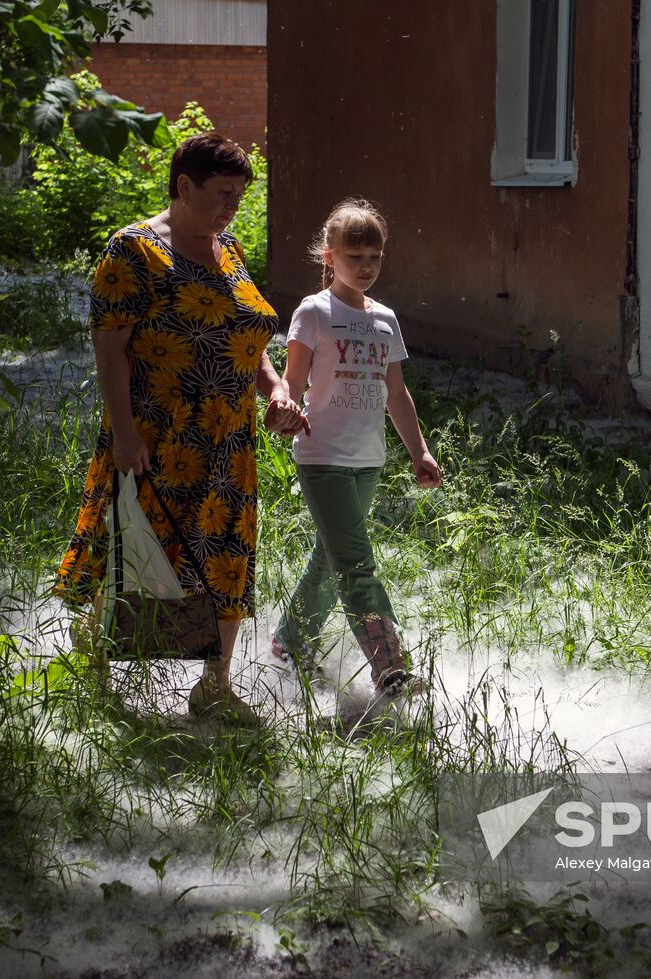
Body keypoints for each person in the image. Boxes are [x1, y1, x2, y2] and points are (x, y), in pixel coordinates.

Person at [56, 133, 306, 723]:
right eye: (222, 194)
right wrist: (124, 434)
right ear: (183, 186)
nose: (230, 208)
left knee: (226, 559)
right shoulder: (133, 252)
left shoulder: (230, 249)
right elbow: (110, 350)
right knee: (129, 547)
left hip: (228, 443)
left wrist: (277, 390)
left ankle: (214, 687)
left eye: (239, 197)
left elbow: (244, 339)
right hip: (154, 438)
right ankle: (91, 662)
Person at [271, 198, 442, 702]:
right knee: (356, 562)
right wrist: (284, 407)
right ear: (328, 256)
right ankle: (390, 667)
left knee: (331, 557)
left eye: (375, 257)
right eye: (354, 256)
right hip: (321, 456)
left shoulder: (385, 319)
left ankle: (288, 643)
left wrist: (420, 452)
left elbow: (396, 394)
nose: (365, 267)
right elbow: (292, 379)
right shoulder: (314, 312)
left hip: (367, 459)